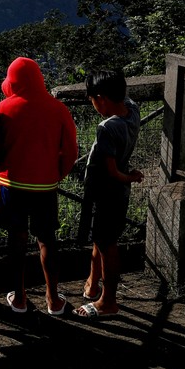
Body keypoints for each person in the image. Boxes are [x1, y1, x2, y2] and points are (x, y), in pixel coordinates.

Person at [0, 57, 79, 316]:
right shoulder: (59, 109)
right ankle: (53, 299)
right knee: (47, 240)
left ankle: (19, 299)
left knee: (16, 240)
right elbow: (72, 151)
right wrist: (57, 175)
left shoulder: (2, 109)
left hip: (11, 184)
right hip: (45, 186)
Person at [76, 70, 143, 319]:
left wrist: (131, 176)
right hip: (119, 194)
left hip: (107, 191)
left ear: (101, 98)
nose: (92, 104)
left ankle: (108, 301)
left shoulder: (107, 128)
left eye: (92, 99)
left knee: (107, 245)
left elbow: (112, 171)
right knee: (102, 238)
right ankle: (93, 284)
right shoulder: (132, 110)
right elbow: (125, 100)